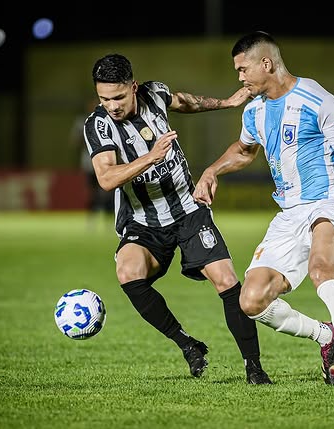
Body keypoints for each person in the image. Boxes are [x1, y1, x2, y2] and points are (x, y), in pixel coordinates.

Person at [193, 31, 334, 393]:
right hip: (288, 212)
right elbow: (245, 151)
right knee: (251, 300)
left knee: (322, 270)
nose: (240, 78)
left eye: (243, 68)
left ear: (267, 63)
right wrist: (211, 170)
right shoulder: (255, 111)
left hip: (329, 202)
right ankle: (324, 334)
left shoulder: (317, 99)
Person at [83, 53, 272, 384]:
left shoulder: (154, 93)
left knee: (226, 280)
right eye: (104, 98)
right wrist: (151, 156)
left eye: (118, 97)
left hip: (188, 209)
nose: (111, 105)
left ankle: (253, 367)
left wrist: (227, 102)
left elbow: (183, 101)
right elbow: (107, 177)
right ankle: (187, 344)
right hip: (142, 220)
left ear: (133, 87)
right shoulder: (98, 126)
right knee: (128, 272)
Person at [70, 98, 114, 227]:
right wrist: (90, 140)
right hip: (89, 163)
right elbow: (74, 141)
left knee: (108, 191)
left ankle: (109, 219)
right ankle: (92, 218)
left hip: (106, 161)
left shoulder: (107, 120)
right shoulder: (82, 122)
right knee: (93, 192)